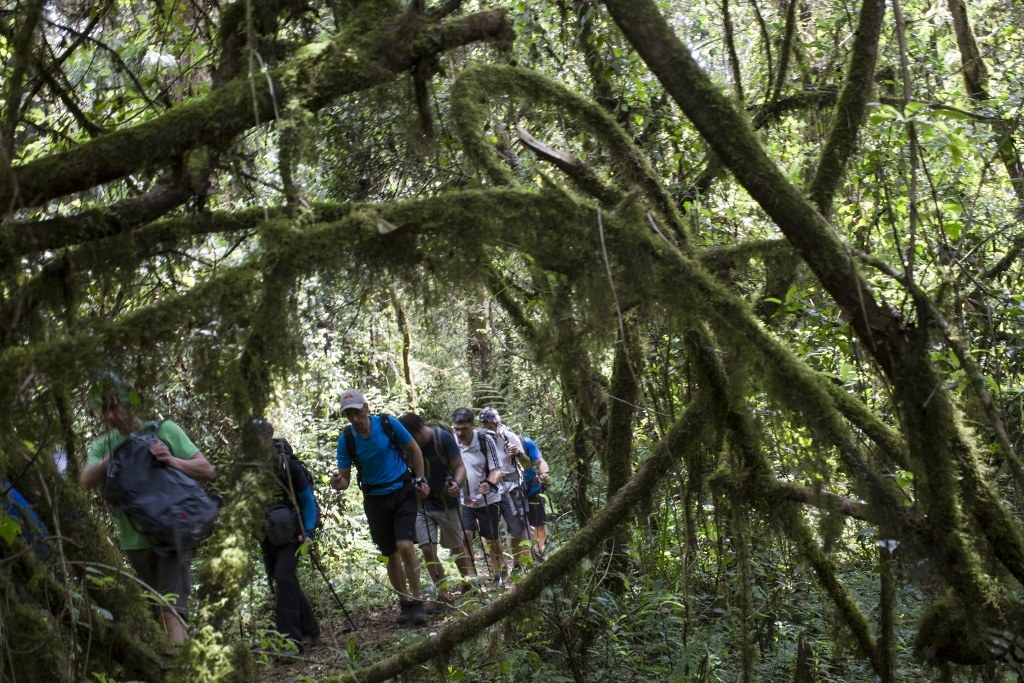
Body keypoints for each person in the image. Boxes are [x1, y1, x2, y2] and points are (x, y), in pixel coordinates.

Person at [80, 378, 216, 646]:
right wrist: (118, 453)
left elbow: (207, 469)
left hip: (170, 535)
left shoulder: (164, 429)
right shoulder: (102, 445)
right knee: (159, 614)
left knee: (169, 611)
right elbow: (85, 480)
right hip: (134, 543)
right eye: (104, 410)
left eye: (114, 407)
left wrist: (172, 459)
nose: (109, 416)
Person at [329, 389, 430, 626]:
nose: (354, 418)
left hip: (401, 490)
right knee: (390, 554)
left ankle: (417, 601)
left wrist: (420, 479)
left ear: (366, 408)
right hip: (375, 499)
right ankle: (405, 603)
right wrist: (337, 483)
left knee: (405, 545)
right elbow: (344, 481)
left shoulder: (387, 423)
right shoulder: (347, 439)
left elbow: (415, 449)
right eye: (348, 414)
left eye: (356, 412)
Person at [249, 419, 320, 653]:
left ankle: (290, 641)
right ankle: (310, 629)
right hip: (268, 536)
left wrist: (308, 532)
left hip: (294, 534)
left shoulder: (288, 466)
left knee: (283, 577)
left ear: (267, 438)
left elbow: (308, 500)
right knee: (285, 580)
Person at [398, 413, 477, 605]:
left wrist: (457, 483)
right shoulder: (407, 447)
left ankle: (470, 583)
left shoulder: (442, 438)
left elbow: (459, 467)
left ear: (416, 429)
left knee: (456, 546)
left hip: (446, 502)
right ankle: (443, 592)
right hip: (422, 503)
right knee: (426, 547)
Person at [449, 408, 504, 581]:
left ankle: (498, 573)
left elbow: (497, 469)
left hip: (488, 499)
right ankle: (471, 577)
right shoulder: (452, 442)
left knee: (491, 538)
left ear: (472, 426)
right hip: (465, 500)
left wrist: (489, 483)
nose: (459, 433)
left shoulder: (485, 439)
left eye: (463, 429)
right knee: (465, 536)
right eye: (456, 429)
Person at [478, 407, 532, 572]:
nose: (487, 427)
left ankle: (520, 564)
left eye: (489, 424)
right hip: (489, 490)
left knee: (518, 529)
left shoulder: (508, 437)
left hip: (510, 488)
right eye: (483, 424)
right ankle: (499, 569)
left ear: (496, 423)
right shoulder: (479, 439)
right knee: (490, 534)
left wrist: (517, 454)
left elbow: (527, 463)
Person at [520, 436, 551, 559]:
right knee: (518, 528)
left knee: (539, 523)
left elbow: (540, 461)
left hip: (533, 489)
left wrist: (545, 474)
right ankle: (524, 557)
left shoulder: (525, 443)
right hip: (510, 494)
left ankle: (539, 551)